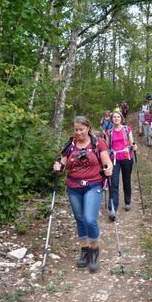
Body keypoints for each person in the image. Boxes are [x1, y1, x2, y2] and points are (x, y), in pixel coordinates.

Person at [53, 116, 113, 273]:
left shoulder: (97, 142)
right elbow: (63, 164)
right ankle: (84, 249)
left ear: (88, 128)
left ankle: (94, 251)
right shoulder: (70, 144)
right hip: (73, 186)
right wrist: (58, 167)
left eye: (81, 129)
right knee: (79, 219)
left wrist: (108, 168)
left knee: (89, 219)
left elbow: (106, 161)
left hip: (93, 185)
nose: (78, 132)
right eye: (76, 129)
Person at [106, 111, 138, 219]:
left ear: (121, 118)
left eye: (118, 117)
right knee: (114, 183)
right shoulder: (109, 132)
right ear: (112, 119)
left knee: (126, 180)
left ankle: (127, 201)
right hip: (114, 159)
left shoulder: (127, 129)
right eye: (114, 117)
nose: (116, 119)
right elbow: (107, 147)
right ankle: (113, 208)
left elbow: (132, 142)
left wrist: (134, 146)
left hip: (126, 157)